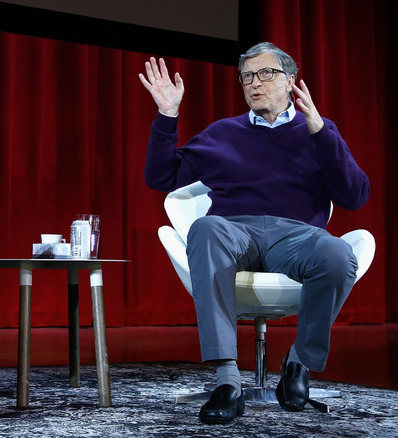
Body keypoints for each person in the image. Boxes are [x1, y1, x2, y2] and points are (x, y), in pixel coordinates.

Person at [139, 42, 369, 424]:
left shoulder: (316, 131)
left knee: (338, 254)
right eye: (246, 77)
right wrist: (167, 114)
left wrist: (321, 133)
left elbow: (355, 196)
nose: (254, 83)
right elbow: (160, 177)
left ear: (290, 81)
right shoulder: (223, 133)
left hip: (296, 236)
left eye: (265, 73)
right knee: (205, 228)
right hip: (235, 229)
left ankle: (299, 362)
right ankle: (227, 381)